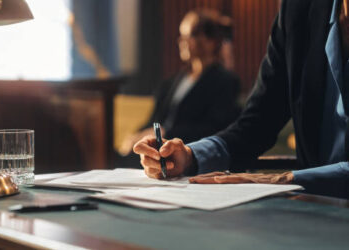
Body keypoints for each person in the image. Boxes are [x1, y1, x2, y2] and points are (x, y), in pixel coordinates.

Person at [133, 0, 349, 199]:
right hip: (314, 209)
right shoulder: (297, 9)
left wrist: (285, 180)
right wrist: (190, 157)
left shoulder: (222, 80)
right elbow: (257, 124)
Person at [118, 10, 240, 157]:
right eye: (182, 35)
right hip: (158, 147)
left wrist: (165, 133)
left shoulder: (225, 81)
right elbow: (155, 120)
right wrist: (137, 136)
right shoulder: (173, 81)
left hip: (188, 153)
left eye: (192, 35)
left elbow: (213, 128)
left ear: (211, 41)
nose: (183, 41)